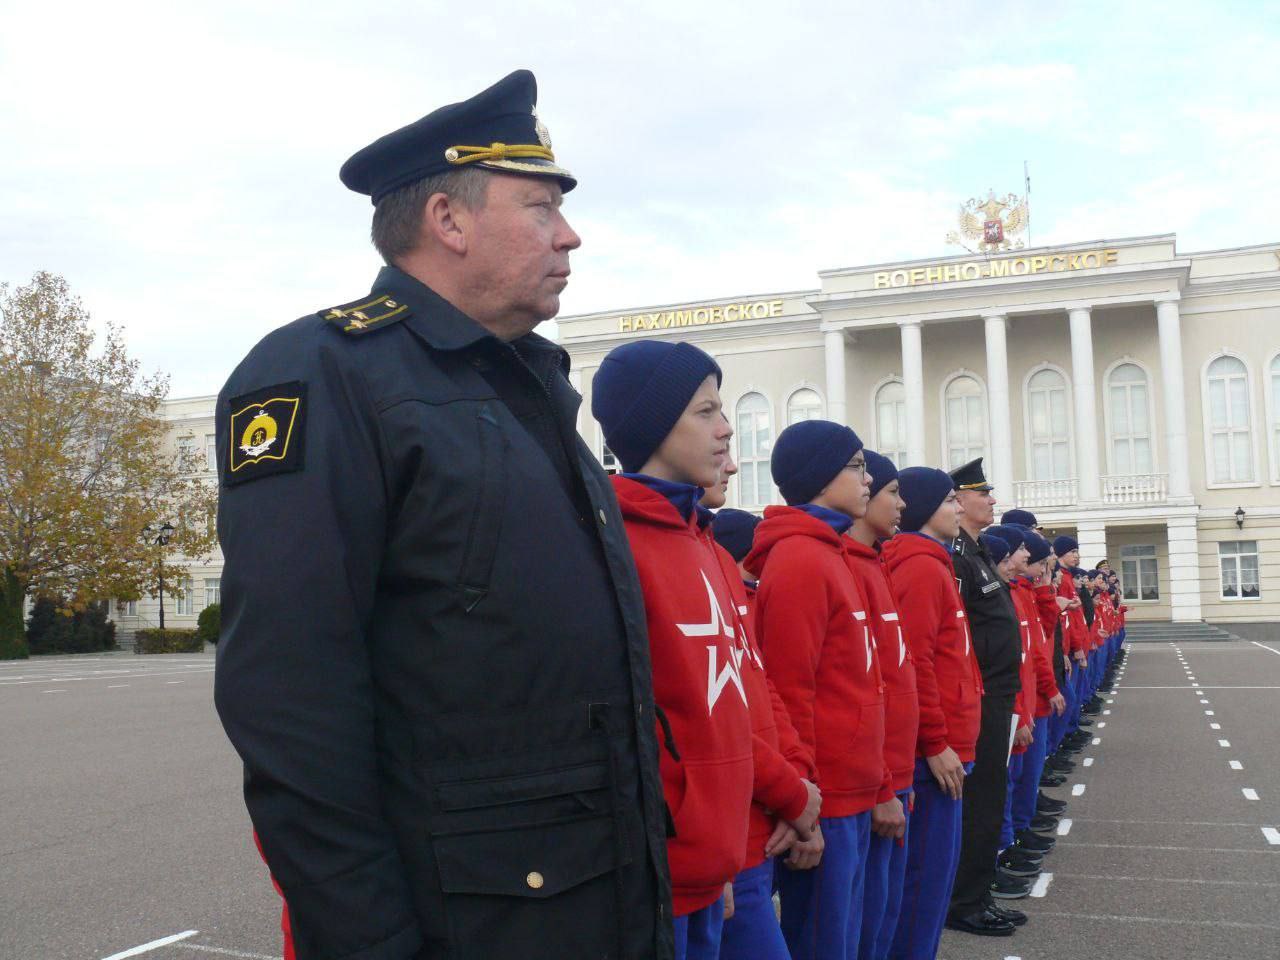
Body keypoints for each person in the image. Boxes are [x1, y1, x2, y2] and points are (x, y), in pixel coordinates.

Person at [214, 69, 674, 960]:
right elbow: (290, 704)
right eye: (540, 208)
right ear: (449, 221)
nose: (570, 235)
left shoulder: (528, 383)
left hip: (592, 900)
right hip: (465, 921)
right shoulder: (325, 374)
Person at [592, 339, 756, 960]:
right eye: (705, 411)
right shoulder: (613, 544)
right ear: (654, 424)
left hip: (709, 862)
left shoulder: (700, 542)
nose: (726, 429)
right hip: (658, 868)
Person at [747, 420, 887, 960]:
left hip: (849, 787)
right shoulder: (801, 560)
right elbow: (787, 689)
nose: (868, 478)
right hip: (824, 795)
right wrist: (802, 803)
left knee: (844, 938)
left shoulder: (830, 553)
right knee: (822, 942)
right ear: (821, 477)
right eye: (856, 466)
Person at [706, 459, 825, 960]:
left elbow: (766, 693)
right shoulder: (680, 562)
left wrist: (797, 788)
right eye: (705, 412)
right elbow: (704, 717)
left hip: (763, 818)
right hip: (724, 833)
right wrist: (793, 796)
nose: (731, 457)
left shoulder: (716, 566)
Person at [883, 468, 984, 957]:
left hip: (946, 746)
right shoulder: (921, 568)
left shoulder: (934, 564)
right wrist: (937, 742)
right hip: (933, 757)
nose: (959, 508)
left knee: (932, 884)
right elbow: (915, 662)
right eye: (949, 500)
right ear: (925, 508)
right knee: (923, 887)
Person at [945, 459, 1024, 936]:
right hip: (981, 697)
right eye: (982, 493)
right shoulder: (957, 557)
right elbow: (957, 636)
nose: (992, 499)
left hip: (996, 694)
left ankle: (979, 889)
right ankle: (965, 901)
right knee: (979, 804)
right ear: (959, 500)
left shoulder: (975, 553)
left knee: (990, 798)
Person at [847, 451, 919, 960]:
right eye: (891, 491)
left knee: (881, 919)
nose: (899, 502)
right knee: (853, 930)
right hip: (855, 788)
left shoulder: (874, 567)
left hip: (890, 772)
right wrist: (880, 786)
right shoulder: (824, 564)